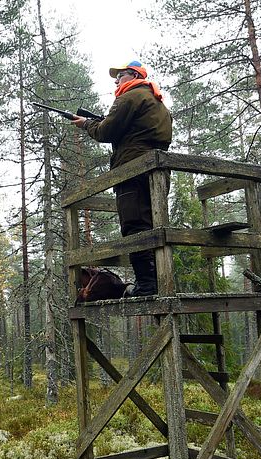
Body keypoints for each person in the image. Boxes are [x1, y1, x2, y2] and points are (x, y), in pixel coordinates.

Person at [70, 60, 172, 297]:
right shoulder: (158, 104)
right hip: (157, 173)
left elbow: (106, 132)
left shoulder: (130, 97)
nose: (116, 81)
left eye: (121, 76)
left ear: (134, 75)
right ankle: (158, 281)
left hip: (132, 171)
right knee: (153, 225)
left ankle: (147, 285)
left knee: (135, 225)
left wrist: (87, 125)